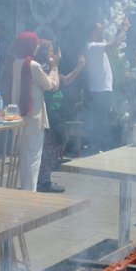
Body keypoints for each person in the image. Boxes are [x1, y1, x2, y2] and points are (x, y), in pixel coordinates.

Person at [10, 32, 59, 192]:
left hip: (19, 114)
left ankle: (26, 190)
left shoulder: (17, 62)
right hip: (33, 115)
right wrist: (55, 67)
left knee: (25, 155)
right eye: (36, 44)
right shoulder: (33, 66)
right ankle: (29, 193)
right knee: (33, 157)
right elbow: (51, 85)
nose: (38, 46)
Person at [37, 41, 85, 193]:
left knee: (58, 144)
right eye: (51, 51)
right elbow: (52, 84)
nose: (55, 54)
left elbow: (64, 80)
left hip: (57, 113)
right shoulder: (43, 68)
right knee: (50, 147)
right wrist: (54, 66)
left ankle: (44, 178)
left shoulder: (50, 68)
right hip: (48, 113)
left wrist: (79, 68)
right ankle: (43, 181)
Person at [84, 20, 128, 152]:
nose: (102, 31)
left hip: (101, 89)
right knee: (100, 120)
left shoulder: (95, 46)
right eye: (99, 29)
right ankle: (97, 148)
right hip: (99, 89)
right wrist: (125, 28)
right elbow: (115, 44)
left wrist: (121, 29)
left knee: (102, 119)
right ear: (92, 31)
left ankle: (98, 147)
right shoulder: (92, 46)